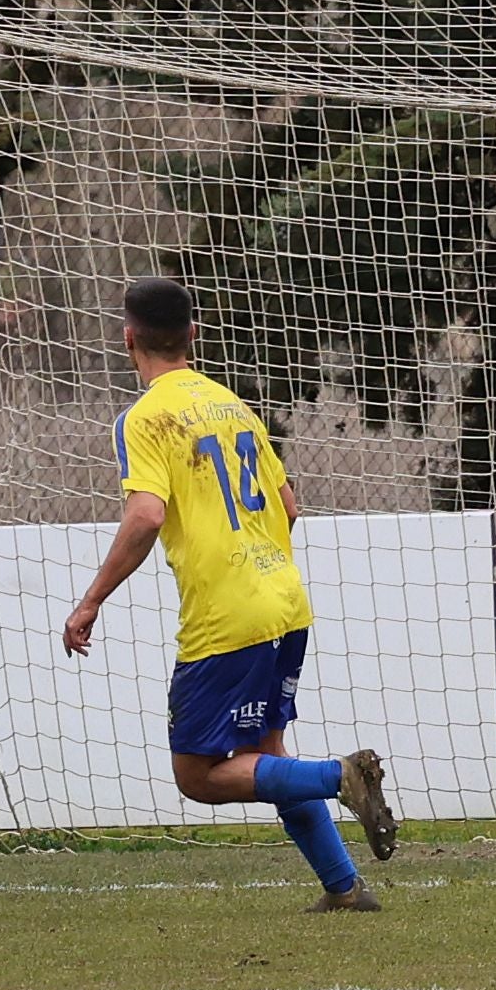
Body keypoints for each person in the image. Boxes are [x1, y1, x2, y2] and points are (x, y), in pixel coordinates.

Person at [61, 277, 398, 911]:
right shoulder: (231, 404)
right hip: (284, 601)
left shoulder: (144, 417)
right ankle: (345, 888)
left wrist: (91, 601)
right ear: (193, 336)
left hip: (227, 616)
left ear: (127, 337)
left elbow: (146, 515)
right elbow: (289, 508)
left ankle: (340, 777)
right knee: (266, 756)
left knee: (199, 776)